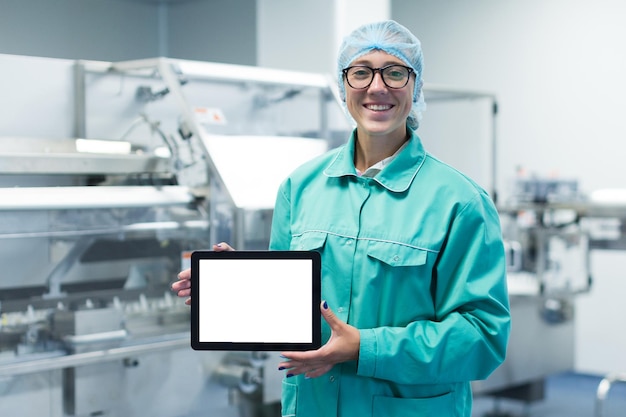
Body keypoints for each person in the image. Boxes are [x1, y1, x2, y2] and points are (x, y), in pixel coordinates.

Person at [172, 19, 510, 417]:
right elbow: (290, 312)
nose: (377, 87)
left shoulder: (459, 202)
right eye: (361, 72)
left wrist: (364, 348)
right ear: (343, 84)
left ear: (415, 86)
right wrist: (237, 289)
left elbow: (483, 337)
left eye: (395, 72)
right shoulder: (300, 187)